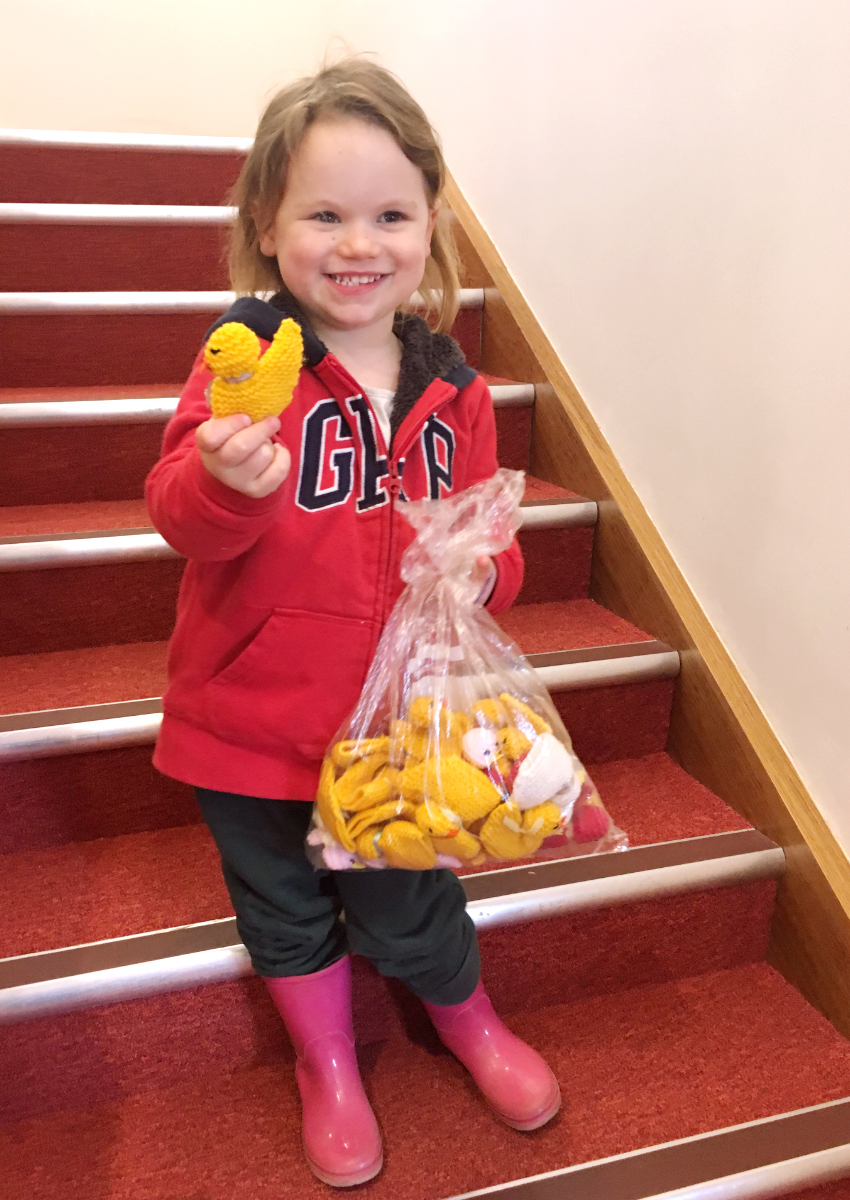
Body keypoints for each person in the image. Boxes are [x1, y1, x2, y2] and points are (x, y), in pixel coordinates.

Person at [145, 56, 560, 1188]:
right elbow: (180, 514)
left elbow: (485, 540)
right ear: (267, 230)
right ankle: (326, 1063)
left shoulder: (457, 393)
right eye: (323, 214)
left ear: (432, 225)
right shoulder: (246, 370)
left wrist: (488, 574)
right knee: (281, 904)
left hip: (395, 736)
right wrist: (226, 480)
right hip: (247, 719)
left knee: (411, 893)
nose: (358, 243)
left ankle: (466, 1019)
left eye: (390, 213)